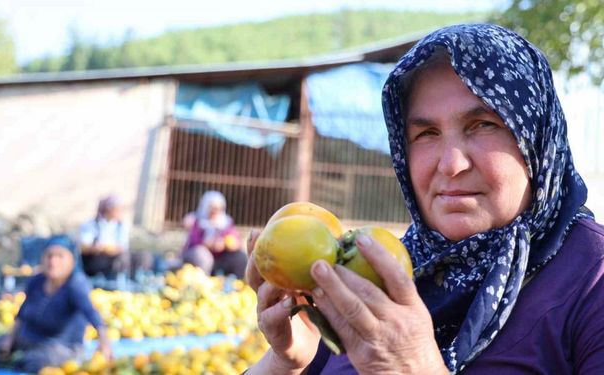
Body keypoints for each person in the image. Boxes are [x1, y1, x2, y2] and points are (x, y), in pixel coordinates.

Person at [244, 23, 604, 374]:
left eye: (483, 125)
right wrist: (287, 364)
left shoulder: (591, 279)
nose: (450, 165)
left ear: (536, 137)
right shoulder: (383, 268)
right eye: (426, 133)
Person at [0, 236, 111, 373]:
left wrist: (104, 344)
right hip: (28, 340)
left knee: (33, 361)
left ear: (72, 260)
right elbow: (22, 315)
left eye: (60, 256)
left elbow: (93, 314)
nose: (53, 262)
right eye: (49, 256)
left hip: (61, 347)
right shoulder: (37, 281)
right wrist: (9, 340)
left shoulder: (75, 285)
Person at [182, 191, 248, 278]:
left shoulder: (226, 222)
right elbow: (194, 241)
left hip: (221, 258)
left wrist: (226, 244)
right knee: (202, 255)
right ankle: (202, 283)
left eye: (218, 208)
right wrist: (208, 244)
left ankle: (237, 282)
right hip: (200, 258)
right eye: (212, 208)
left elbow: (235, 239)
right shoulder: (198, 221)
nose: (215, 211)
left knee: (241, 257)